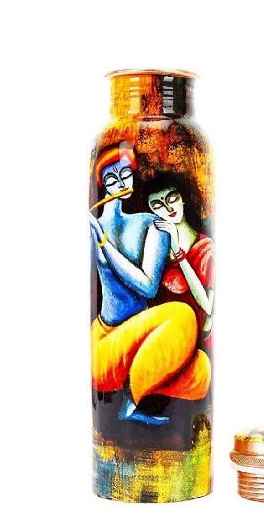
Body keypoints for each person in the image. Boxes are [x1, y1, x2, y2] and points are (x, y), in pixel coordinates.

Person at [89, 143, 211, 425]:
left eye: (126, 175)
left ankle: (141, 378)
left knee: (202, 371)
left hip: (143, 344)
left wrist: (106, 246)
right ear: (101, 185)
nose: (121, 183)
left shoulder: (151, 224)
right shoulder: (91, 228)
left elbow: (148, 287)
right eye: (111, 178)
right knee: (182, 316)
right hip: (106, 346)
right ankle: (131, 402)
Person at [146, 173, 214, 350]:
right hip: (162, 339)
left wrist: (178, 251)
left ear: (183, 198)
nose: (168, 208)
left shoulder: (205, 246)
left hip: (194, 340)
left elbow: (208, 307)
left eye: (172, 199)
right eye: (158, 205)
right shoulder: (156, 250)